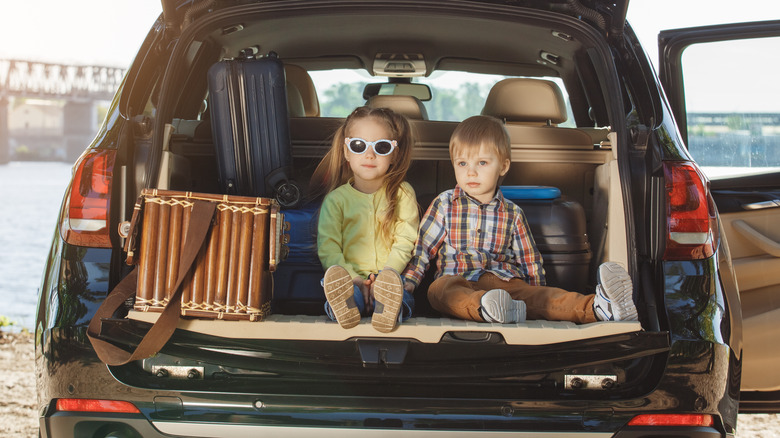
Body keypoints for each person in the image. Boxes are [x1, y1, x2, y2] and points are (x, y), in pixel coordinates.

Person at [401, 115, 637, 324]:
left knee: (544, 298)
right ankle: (486, 307)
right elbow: (422, 251)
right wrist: (409, 284)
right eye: (462, 163)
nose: (470, 172)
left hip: (505, 281)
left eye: (482, 163)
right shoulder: (445, 204)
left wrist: (538, 293)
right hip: (457, 280)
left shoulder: (512, 213)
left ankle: (600, 307)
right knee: (438, 291)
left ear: (503, 166)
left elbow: (529, 258)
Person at [315, 106, 419, 333]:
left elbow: (406, 241)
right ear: (346, 152)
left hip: (391, 280)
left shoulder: (403, 193)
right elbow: (329, 247)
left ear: (394, 154)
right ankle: (345, 307)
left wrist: (386, 277)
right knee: (343, 293)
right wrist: (354, 279)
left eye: (381, 147)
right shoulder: (336, 200)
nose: (369, 155)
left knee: (399, 294)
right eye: (359, 146)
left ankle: (390, 308)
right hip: (350, 280)